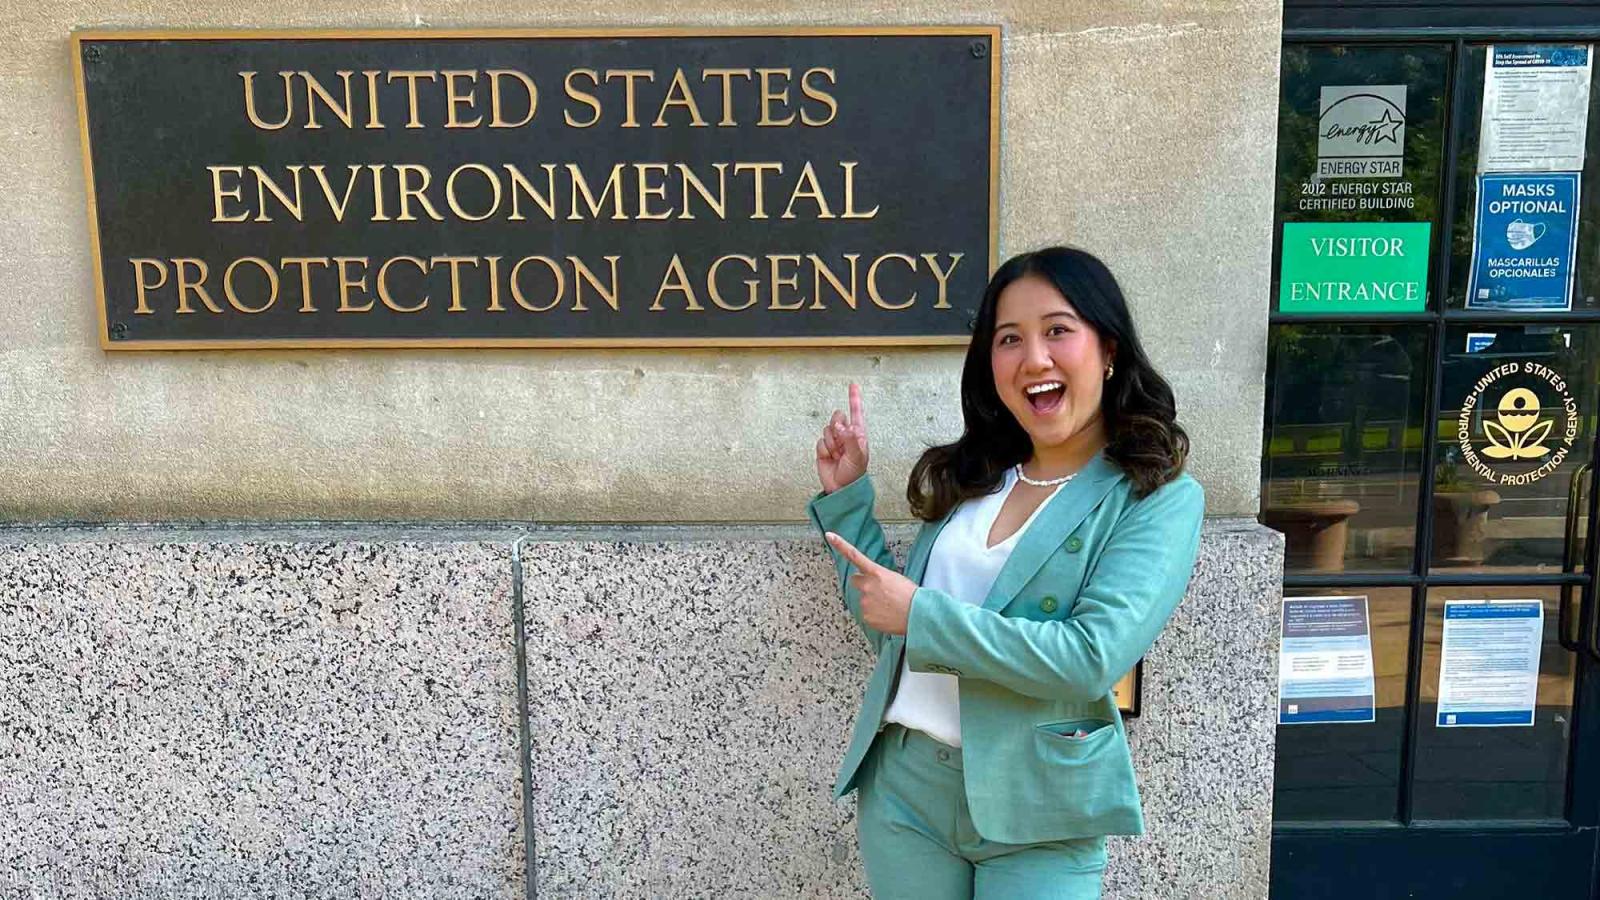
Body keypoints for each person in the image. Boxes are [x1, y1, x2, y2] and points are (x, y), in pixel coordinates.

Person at [806, 246, 1204, 899]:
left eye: (1057, 331)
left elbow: (1088, 657)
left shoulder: (1153, 495)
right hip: (907, 792)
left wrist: (920, 615)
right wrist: (848, 501)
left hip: (1039, 805)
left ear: (1107, 348)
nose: (1034, 358)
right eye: (1009, 339)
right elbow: (899, 630)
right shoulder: (975, 478)